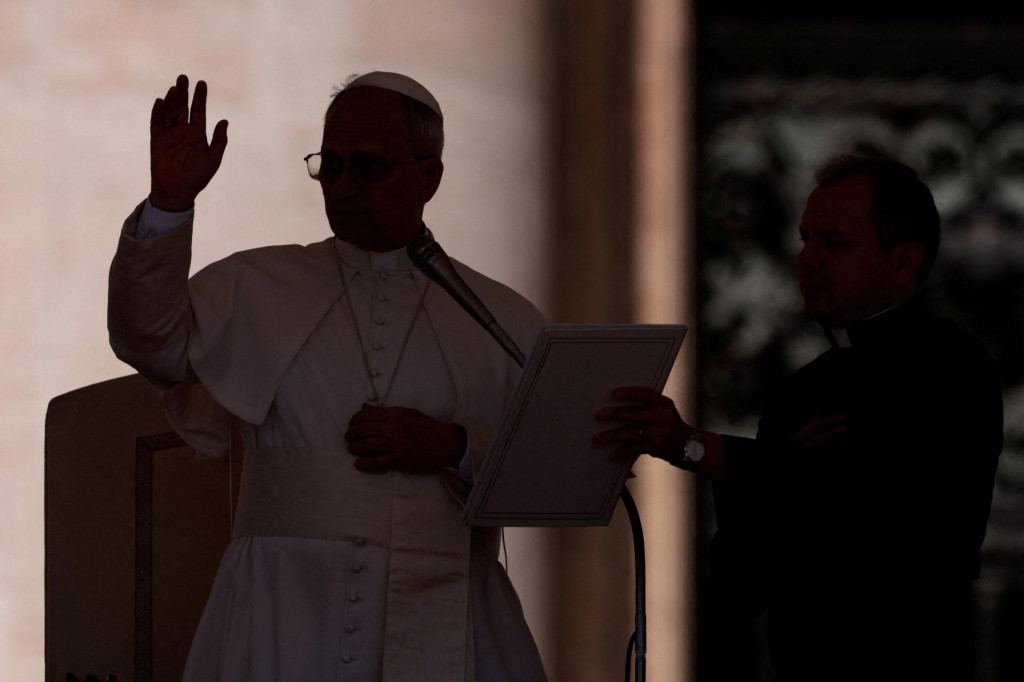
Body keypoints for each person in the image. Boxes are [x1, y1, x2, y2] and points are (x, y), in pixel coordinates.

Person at [108, 72, 548, 681]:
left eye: (368, 168)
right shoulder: (256, 286)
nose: (342, 186)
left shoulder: (502, 317)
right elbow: (146, 340)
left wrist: (455, 446)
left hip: (452, 608)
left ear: (429, 178)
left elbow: (555, 474)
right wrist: (169, 204)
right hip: (281, 610)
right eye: (331, 165)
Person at [595, 155, 1003, 681]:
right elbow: (741, 580)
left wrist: (707, 450)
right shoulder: (802, 390)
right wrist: (779, 470)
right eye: (805, 238)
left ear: (903, 263)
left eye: (833, 243)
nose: (806, 259)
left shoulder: (951, 367)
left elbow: (885, 524)